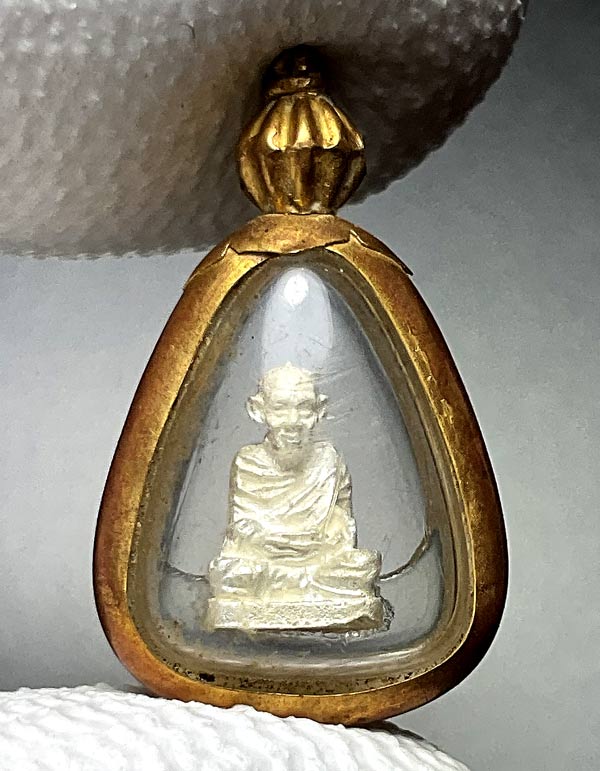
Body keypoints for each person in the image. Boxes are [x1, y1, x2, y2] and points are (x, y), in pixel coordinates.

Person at [206, 363, 383, 631]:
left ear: (320, 410)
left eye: (304, 408)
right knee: (230, 574)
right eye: (280, 408)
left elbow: (343, 530)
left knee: (360, 567)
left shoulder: (329, 460)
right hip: (264, 561)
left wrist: (328, 538)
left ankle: (301, 588)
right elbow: (241, 530)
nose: (293, 421)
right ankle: (290, 587)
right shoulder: (248, 461)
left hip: (320, 564)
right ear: (258, 410)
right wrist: (276, 542)